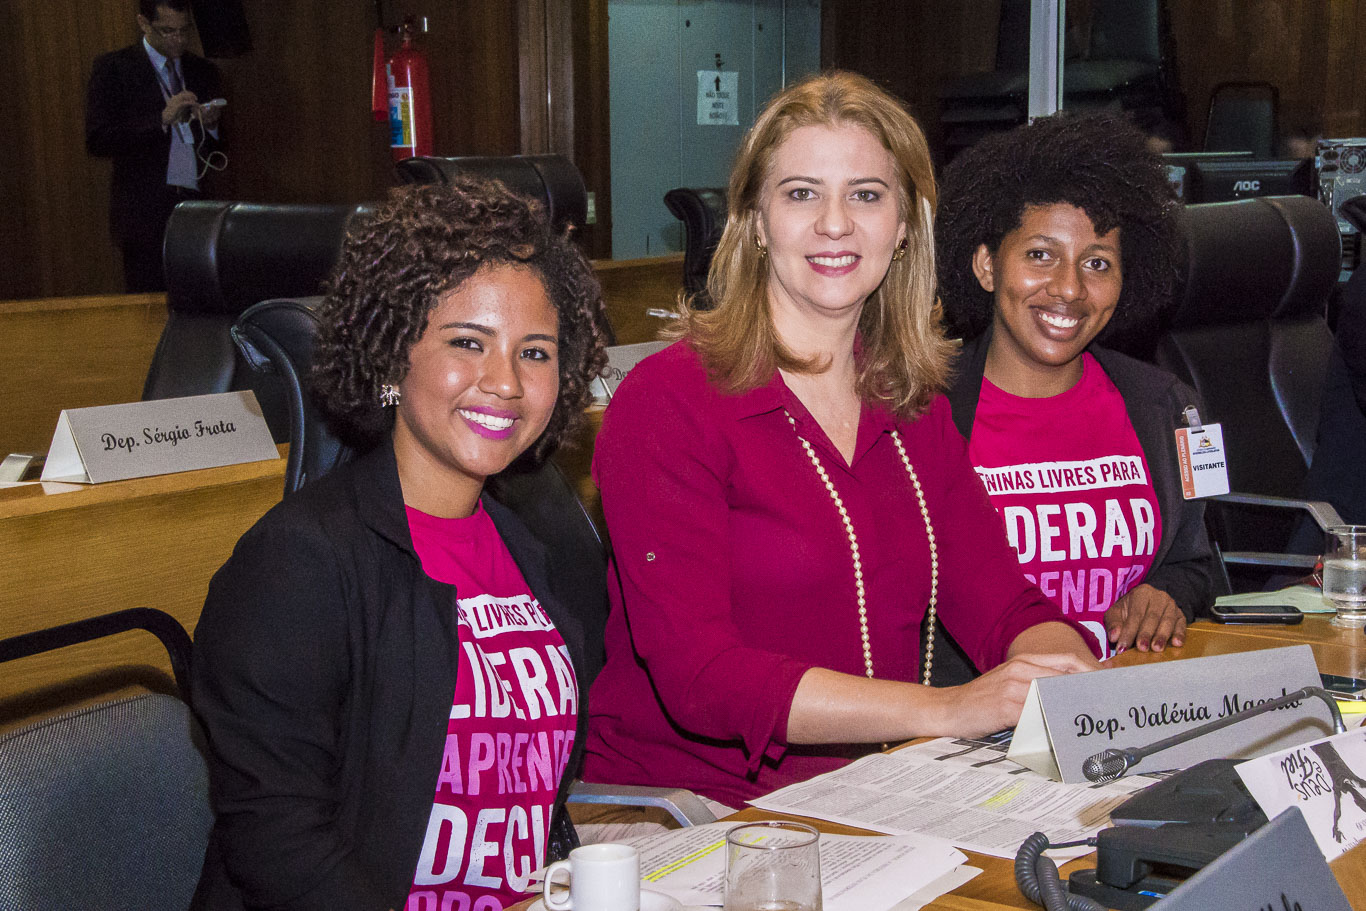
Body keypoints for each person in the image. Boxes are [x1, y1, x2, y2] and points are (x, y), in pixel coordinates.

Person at [583, 71, 1101, 810]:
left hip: (874, 795)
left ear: (904, 226)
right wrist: (951, 708)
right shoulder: (669, 402)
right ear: (756, 221)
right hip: (689, 815)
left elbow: (1002, 604)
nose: (835, 223)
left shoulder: (913, 405)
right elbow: (701, 676)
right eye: (801, 193)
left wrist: (1076, 681)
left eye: (866, 194)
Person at [190, 179, 611, 911]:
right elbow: (277, 841)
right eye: (467, 342)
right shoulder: (298, 563)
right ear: (392, 357)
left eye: (535, 352)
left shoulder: (538, 550)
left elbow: (537, 808)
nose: (505, 381)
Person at [934, 112, 1217, 682]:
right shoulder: (923, 411)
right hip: (978, 723)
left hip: (1135, 710)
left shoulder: (1173, 408)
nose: (1069, 288)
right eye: (1040, 254)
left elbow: (1200, 563)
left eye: (1097, 263)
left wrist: (1167, 593)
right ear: (988, 265)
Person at [86, 0, 225, 292]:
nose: (178, 40)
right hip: (143, 212)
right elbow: (97, 140)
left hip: (197, 208)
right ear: (144, 24)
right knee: (147, 306)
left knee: (198, 300)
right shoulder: (114, 69)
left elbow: (223, 149)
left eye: (184, 31)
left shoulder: (203, 71)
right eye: (167, 31)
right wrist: (161, 120)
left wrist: (211, 125)